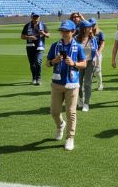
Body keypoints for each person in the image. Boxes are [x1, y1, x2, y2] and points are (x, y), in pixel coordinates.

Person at [45, 20, 87, 151]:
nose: (63, 33)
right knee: (54, 111)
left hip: (72, 84)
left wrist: (74, 63)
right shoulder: (55, 46)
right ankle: (60, 125)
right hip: (57, 83)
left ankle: (70, 137)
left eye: (66, 31)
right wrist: (54, 61)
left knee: (71, 112)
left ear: (73, 32)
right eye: (62, 31)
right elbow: (47, 63)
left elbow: (84, 64)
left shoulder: (78, 47)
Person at [77, 18, 103, 111]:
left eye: (90, 27)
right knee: (78, 83)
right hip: (79, 63)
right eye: (88, 27)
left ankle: (86, 103)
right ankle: (80, 99)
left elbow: (95, 50)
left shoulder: (93, 38)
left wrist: (96, 59)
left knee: (87, 83)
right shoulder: (77, 39)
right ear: (83, 29)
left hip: (90, 63)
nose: (90, 29)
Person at [20, 13, 49, 85]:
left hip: (40, 46)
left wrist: (44, 34)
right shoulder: (27, 25)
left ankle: (38, 78)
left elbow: (48, 35)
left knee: (38, 61)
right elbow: (22, 36)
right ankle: (34, 78)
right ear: (31, 17)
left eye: (37, 17)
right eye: (34, 17)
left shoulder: (43, 25)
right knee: (32, 64)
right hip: (30, 46)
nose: (36, 18)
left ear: (39, 17)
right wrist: (30, 37)